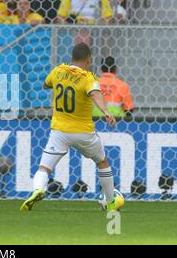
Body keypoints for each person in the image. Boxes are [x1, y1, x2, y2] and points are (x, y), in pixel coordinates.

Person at [20, 43, 124, 212]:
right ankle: (111, 200)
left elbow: (46, 84)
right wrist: (105, 111)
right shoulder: (88, 78)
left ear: (72, 57)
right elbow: (95, 93)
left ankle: (38, 189)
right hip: (83, 132)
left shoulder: (58, 71)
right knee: (102, 162)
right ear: (89, 60)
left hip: (59, 131)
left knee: (44, 168)